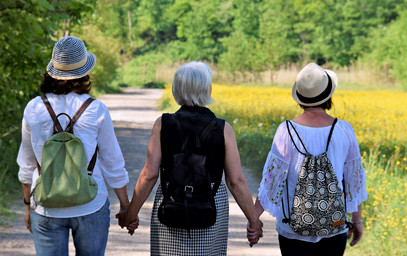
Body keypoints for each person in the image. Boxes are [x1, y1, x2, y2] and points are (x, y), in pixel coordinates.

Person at [117, 61, 263, 255]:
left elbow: (149, 175)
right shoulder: (223, 129)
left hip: (172, 199)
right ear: (208, 89)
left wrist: (131, 213)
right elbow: (235, 181)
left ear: (176, 90)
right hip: (210, 203)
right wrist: (254, 221)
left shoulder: (163, 124)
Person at [17, 36, 130, 256]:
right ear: (85, 71)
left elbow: (26, 165)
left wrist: (27, 205)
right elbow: (113, 163)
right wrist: (126, 208)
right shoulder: (96, 109)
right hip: (90, 204)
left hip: (46, 205)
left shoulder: (34, 108)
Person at [251, 63, 367, 255]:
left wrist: (254, 220)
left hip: (292, 229)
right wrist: (356, 220)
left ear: (300, 97)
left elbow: (272, 181)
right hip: (335, 224)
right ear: (329, 96)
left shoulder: (286, 130)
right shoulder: (344, 130)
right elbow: (354, 181)